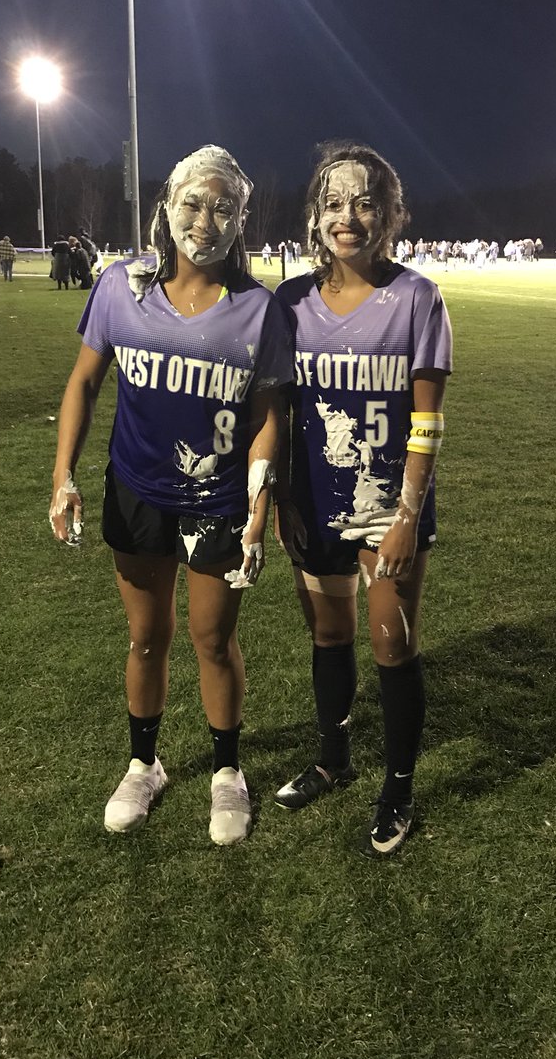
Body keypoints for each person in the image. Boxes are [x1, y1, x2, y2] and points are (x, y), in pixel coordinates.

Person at [49, 145, 293, 846]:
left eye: (223, 207)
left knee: (213, 640)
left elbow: (267, 414)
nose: (206, 219)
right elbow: (84, 382)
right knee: (146, 637)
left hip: (218, 499)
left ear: (240, 219)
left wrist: (259, 502)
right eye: (193, 202)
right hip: (138, 491)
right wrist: (62, 473)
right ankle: (144, 763)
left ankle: (226, 771)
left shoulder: (258, 310)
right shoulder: (122, 287)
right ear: (168, 205)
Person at [272, 141, 453, 858]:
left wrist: (407, 515)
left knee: (391, 643)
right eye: (333, 201)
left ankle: (398, 787)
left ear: (391, 213)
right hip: (316, 500)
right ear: (315, 215)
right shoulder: (289, 302)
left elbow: (428, 422)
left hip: (389, 508)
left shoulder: (416, 298)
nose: (347, 216)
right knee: (327, 635)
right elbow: (280, 414)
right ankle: (333, 759)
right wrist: (283, 496)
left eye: (365, 200)